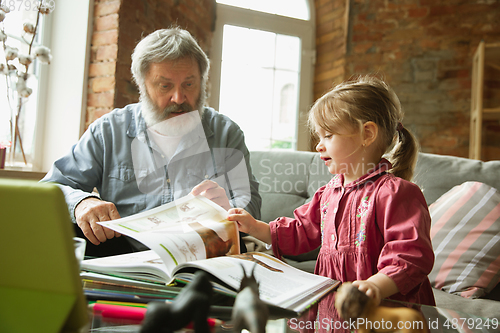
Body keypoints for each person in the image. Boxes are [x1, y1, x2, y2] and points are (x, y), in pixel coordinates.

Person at [227, 75, 435, 332]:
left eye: (328, 135)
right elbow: (302, 230)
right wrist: (257, 227)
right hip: (333, 307)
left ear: (366, 134)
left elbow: (410, 254)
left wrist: (377, 285)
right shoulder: (328, 194)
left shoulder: (397, 193)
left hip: (382, 309)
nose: (318, 145)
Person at [42, 27, 261, 256]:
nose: (179, 98)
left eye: (189, 84)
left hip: (201, 258)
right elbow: (51, 187)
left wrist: (229, 209)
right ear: (142, 85)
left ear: (202, 82)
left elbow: (253, 204)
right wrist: (82, 203)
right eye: (165, 85)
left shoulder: (226, 133)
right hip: (123, 258)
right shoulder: (108, 131)